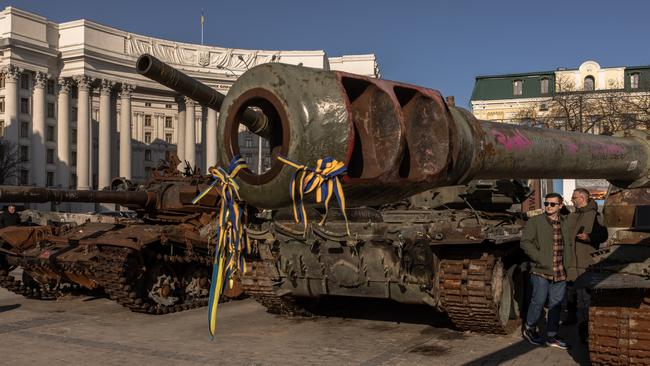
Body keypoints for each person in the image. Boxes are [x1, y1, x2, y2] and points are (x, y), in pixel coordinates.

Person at [520, 192, 574, 349]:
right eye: (546, 203)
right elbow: (526, 242)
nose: (548, 207)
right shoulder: (535, 221)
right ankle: (529, 328)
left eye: (552, 204)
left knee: (556, 304)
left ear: (560, 206)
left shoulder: (565, 222)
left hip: (560, 270)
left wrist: (568, 263)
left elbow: (569, 244)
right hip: (541, 270)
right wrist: (540, 258)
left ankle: (552, 336)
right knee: (538, 301)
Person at [566, 188, 608, 343]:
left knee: (584, 300)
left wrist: (589, 237)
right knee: (570, 294)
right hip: (570, 264)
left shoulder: (595, 215)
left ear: (582, 198)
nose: (572, 200)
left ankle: (584, 334)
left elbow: (603, 235)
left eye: (574, 197)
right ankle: (571, 319)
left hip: (585, 264)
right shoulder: (572, 215)